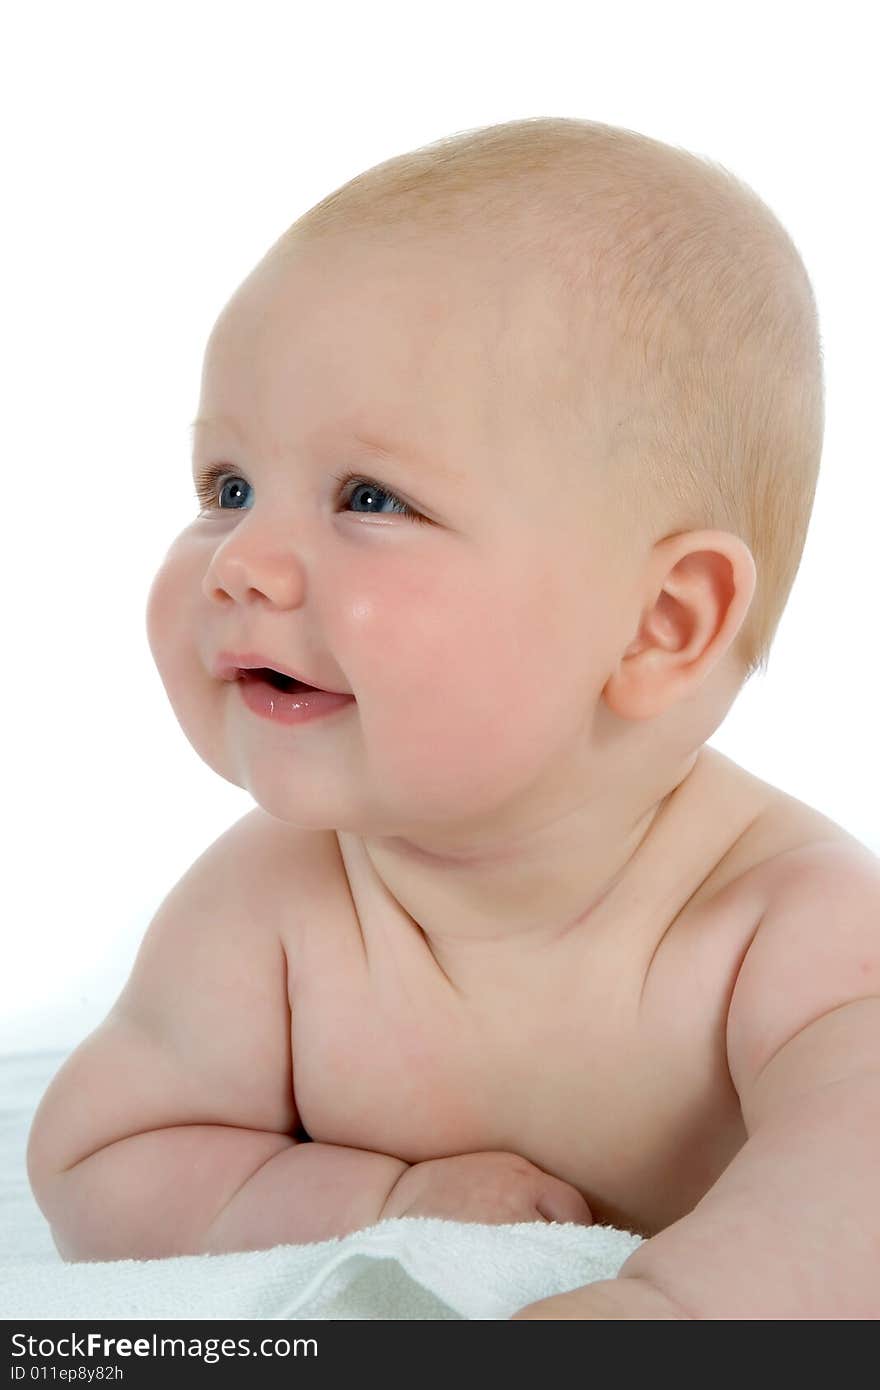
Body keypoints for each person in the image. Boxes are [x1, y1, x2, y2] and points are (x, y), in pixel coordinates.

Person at [26, 117, 879, 1318]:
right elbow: (93, 1167)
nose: (241, 563)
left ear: (659, 623)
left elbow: (856, 1183)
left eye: (369, 497)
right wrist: (383, 1202)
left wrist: (671, 1311)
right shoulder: (270, 907)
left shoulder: (789, 928)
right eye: (227, 486)